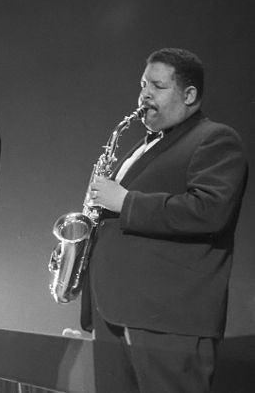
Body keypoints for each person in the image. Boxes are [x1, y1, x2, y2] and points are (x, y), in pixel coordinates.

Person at [82, 48, 248, 393]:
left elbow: (209, 211)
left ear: (189, 95)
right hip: (115, 312)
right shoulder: (142, 146)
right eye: (143, 84)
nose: (144, 95)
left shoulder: (215, 139)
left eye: (157, 86)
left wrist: (126, 201)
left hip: (169, 321)